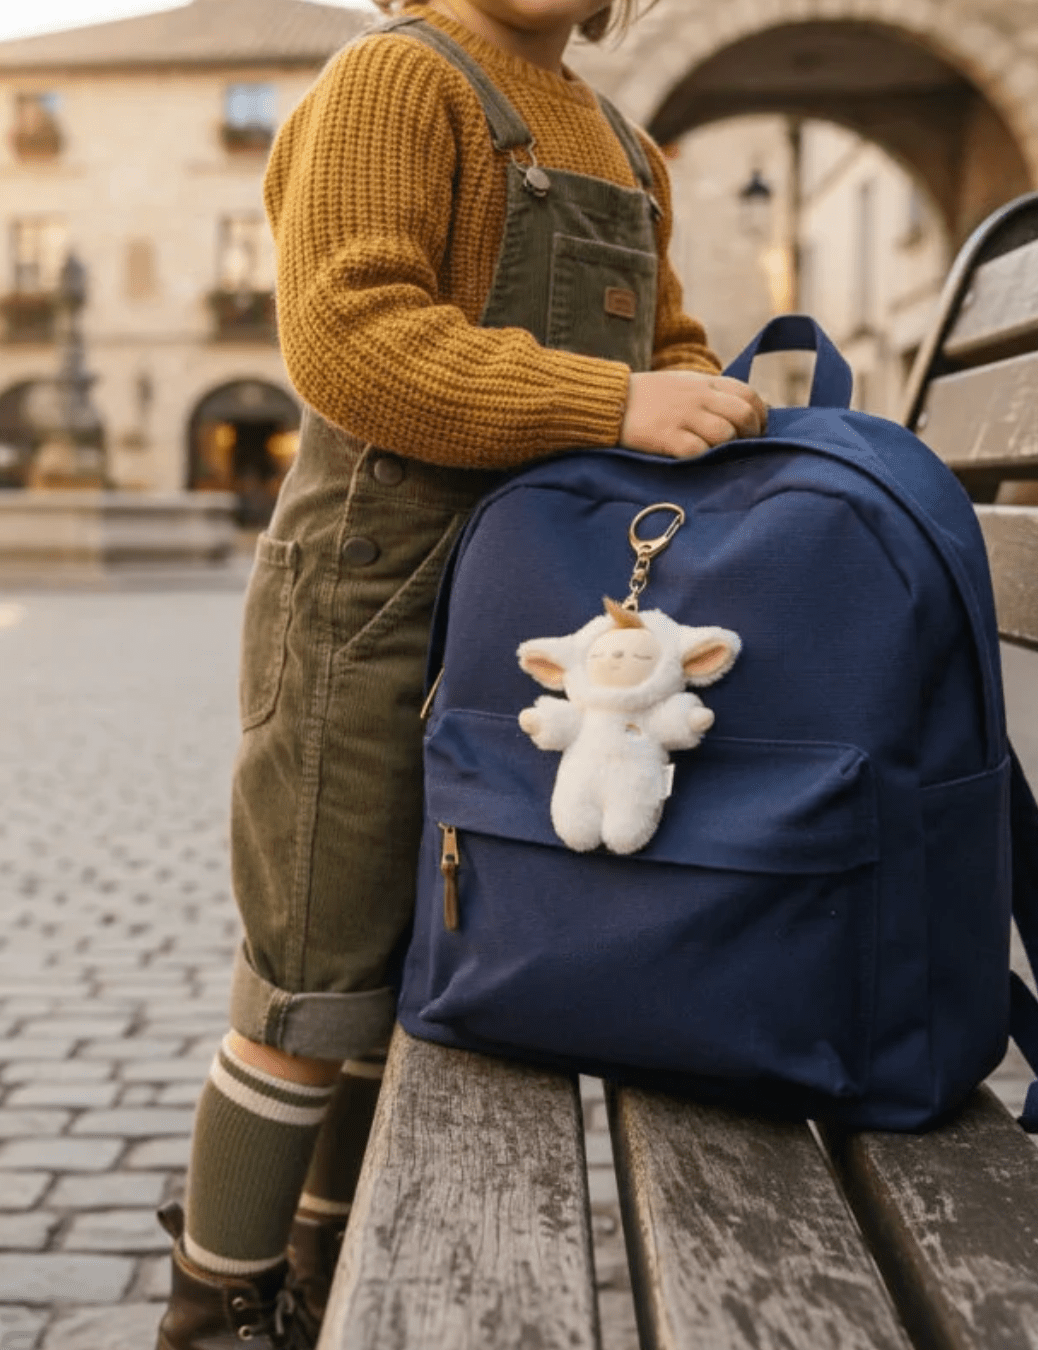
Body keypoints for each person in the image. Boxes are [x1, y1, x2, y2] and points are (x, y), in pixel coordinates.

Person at [155, 1, 767, 1346]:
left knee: (426, 954)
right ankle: (213, 1302)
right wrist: (611, 405)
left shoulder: (620, 140)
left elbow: (661, 339)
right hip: (366, 607)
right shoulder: (394, 80)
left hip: (528, 620)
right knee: (314, 970)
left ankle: (320, 1275)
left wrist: (697, 387)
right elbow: (354, 341)